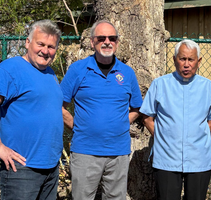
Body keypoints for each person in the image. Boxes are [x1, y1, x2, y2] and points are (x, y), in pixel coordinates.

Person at [0, 20, 63, 199]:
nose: (45, 51)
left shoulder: (50, 73)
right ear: (27, 42)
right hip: (22, 168)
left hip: (51, 167)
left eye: (51, 46)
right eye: (40, 44)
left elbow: (52, 110)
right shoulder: (11, 68)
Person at [60, 20, 142, 200]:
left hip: (118, 153)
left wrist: (121, 122)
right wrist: (78, 126)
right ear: (92, 42)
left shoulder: (127, 73)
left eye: (112, 38)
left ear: (117, 43)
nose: (107, 41)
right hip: (85, 151)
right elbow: (59, 107)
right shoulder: (78, 70)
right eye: (101, 38)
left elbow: (137, 107)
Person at [140, 39, 211, 200]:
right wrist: (162, 136)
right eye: (182, 59)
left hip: (198, 158)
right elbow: (147, 118)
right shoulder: (160, 84)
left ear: (198, 61)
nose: (186, 64)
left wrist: (204, 136)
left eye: (191, 59)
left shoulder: (207, 86)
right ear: (174, 60)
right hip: (167, 158)